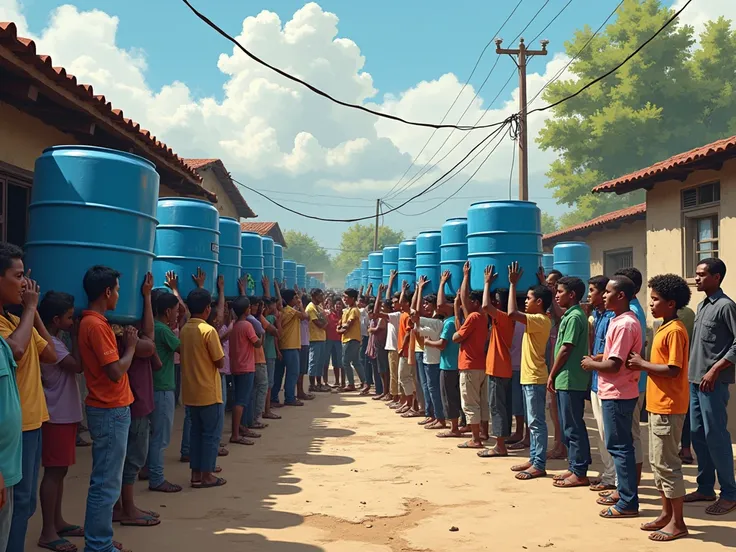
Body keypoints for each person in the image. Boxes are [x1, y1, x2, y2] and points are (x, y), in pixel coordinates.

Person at [1, 243, 58, 552]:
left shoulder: (15, 322)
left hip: (32, 423)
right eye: (18, 275)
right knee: (15, 502)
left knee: (24, 503)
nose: (24, 283)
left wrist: (31, 315)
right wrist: (31, 309)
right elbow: (16, 350)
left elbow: (50, 353)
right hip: (16, 429)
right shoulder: (5, 326)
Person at [78, 265, 137, 552]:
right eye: (117, 290)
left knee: (104, 481)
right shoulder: (96, 325)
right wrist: (131, 348)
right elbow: (115, 372)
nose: (118, 295)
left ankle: (99, 540)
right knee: (106, 483)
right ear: (107, 292)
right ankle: (99, 545)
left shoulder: (92, 322)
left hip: (108, 408)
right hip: (109, 408)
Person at [627, 274, 691, 542]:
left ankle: (678, 522)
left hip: (669, 406)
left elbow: (673, 369)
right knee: (658, 463)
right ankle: (666, 514)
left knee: (668, 464)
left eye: (655, 300)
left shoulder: (675, 330)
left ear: (671, 303)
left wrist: (642, 364)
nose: (651, 304)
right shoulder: (663, 326)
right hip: (657, 404)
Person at [582, 275, 642, 518]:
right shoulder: (618, 320)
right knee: (619, 445)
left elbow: (615, 365)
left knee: (620, 447)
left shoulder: (624, 324)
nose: (603, 295)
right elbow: (614, 356)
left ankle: (627, 501)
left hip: (618, 393)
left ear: (621, 296)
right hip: (616, 392)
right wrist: (600, 358)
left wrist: (591, 363)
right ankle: (624, 495)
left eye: (607, 292)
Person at [684, 258, 736, 516]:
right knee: (697, 434)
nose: (697, 279)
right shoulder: (702, 304)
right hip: (695, 381)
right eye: (696, 274)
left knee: (716, 436)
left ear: (717, 277)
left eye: (702, 275)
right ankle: (705, 487)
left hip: (713, 382)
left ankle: (729, 493)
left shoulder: (726, 307)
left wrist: (716, 369)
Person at [113, 273, 162, 528]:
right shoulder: (127, 339)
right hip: (137, 404)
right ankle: (128, 509)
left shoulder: (124, 335)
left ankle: (122, 507)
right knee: (133, 458)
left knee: (125, 458)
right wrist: (145, 297)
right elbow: (151, 342)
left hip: (133, 402)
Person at [36, 291, 83, 551]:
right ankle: (48, 531)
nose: (72, 320)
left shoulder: (53, 340)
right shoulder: (53, 343)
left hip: (63, 414)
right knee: (54, 473)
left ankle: (57, 521)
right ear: (55, 319)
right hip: (57, 417)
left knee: (61, 470)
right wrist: (77, 335)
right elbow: (77, 366)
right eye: (68, 317)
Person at [506, 262, 553, 480]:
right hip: (529, 377)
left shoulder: (540, 320)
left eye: (529, 298)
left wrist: (513, 284)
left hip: (535, 378)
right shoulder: (538, 319)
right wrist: (543, 283)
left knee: (536, 423)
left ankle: (539, 463)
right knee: (532, 421)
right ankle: (534, 459)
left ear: (540, 302)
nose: (526, 302)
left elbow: (511, 312)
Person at [181, 275, 226, 489]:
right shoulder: (209, 331)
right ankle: (207, 475)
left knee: (196, 434)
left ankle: (196, 474)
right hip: (208, 391)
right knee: (210, 435)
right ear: (208, 308)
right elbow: (219, 361)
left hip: (191, 391)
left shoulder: (184, 329)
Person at [548, 276, 591, 489]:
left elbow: (566, 348)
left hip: (570, 378)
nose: (557, 295)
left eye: (560, 291)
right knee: (568, 425)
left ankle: (580, 470)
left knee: (573, 426)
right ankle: (574, 466)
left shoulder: (574, 317)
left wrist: (552, 374)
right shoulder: (570, 315)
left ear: (572, 294)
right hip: (566, 379)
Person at [149, 278, 184, 494]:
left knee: (153, 433)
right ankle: (157, 477)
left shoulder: (155, 327)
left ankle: (150, 470)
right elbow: (183, 348)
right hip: (163, 387)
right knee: (160, 437)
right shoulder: (163, 330)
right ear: (167, 311)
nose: (178, 314)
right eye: (175, 310)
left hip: (156, 385)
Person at [477, 266, 515, 458]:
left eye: (497, 301)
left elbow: (485, 307)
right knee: (503, 406)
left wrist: (486, 283)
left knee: (496, 407)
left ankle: (500, 445)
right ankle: (503, 440)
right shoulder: (508, 318)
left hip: (498, 368)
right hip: (503, 368)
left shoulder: (504, 317)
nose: (493, 303)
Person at [614, 267, 648, 488]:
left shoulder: (630, 315)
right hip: (631, 382)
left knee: (630, 435)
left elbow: (622, 358)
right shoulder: (630, 311)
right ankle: (626, 484)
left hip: (630, 383)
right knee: (627, 435)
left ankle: (630, 485)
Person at [453, 262, 490, 449]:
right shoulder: (481, 318)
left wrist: (456, 313)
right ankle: (483, 432)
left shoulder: (474, 317)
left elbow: (456, 336)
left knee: (470, 403)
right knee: (482, 402)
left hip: (469, 366)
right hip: (481, 365)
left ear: (475, 303)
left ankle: (475, 439)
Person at [586, 275, 617, 493]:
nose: (591, 295)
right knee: (601, 432)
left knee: (609, 434)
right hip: (598, 381)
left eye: (593, 291)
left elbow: (611, 353)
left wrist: (596, 360)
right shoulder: (597, 315)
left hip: (607, 381)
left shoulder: (613, 318)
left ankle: (613, 479)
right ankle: (608, 475)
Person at [538, 268, 566, 460]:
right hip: (551, 361)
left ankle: (561, 446)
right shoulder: (548, 308)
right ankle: (558, 444)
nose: (549, 286)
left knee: (558, 409)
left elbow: (558, 314)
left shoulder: (567, 310)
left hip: (560, 365)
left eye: (552, 283)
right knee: (553, 409)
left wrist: (547, 290)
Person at [431, 273, 463, 438]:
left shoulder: (450, 323)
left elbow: (442, 344)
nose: (438, 306)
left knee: (449, 396)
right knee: (457, 396)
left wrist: (442, 282)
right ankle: (461, 425)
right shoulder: (456, 320)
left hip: (449, 365)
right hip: (457, 364)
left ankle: (454, 428)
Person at [412, 277, 446, 431]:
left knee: (434, 390)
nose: (424, 306)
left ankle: (439, 417)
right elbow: (416, 322)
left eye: (427, 303)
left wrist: (419, 290)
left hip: (434, 362)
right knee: (430, 389)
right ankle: (434, 415)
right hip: (429, 361)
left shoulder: (437, 322)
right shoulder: (433, 323)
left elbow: (416, 313)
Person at [229, 296, 260, 445]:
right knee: (241, 401)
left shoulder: (235, 325)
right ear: (246, 310)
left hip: (236, 366)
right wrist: (261, 335)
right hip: (246, 367)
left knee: (240, 399)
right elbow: (256, 343)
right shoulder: (247, 325)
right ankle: (236, 433)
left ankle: (241, 428)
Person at [279, 288, 309, 405]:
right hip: (290, 346)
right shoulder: (290, 311)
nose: (297, 300)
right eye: (295, 298)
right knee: (293, 373)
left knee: (280, 374)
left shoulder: (284, 310)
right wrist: (300, 304)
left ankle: (276, 398)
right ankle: (290, 398)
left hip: (284, 345)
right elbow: (304, 315)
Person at [375, 278, 402, 406]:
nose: (392, 304)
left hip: (395, 348)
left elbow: (376, 313)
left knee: (395, 375)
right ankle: (394, 396)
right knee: (394, 374)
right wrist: (390, 283)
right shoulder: (393, 315)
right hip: (393, 348)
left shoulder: (395, 316)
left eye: (394, 302)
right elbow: (389, 300)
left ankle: (396, 398)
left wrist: (379, 295)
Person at [245, 296, 269, 432]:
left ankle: (252, 418)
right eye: (252, 305)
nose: (254, 308)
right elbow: (262, 331)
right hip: (257, 359)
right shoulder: (252, 320)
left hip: (254, 359)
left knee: (254, 390)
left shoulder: (247, 320)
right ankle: (255, 418)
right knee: (261, 387)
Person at [676, 305, 695, 465]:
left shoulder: (673, 320)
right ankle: (686, 448)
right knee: (687, 413)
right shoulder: (690, 313)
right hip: (690, 368)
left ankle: (684, 448)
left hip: (675, 372)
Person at [338, 288, 363, 393]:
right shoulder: (347, 310)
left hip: (351, 339)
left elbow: (348, 324)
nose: (344, 299)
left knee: (345, 362)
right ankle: (364, 381)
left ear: (352, 298)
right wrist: (341, 328)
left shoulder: (354, 310)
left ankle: (351, 384)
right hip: (348, 338)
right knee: (356, 362)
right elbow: (340, 324)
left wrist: (341, 329)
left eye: (346, 297)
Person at [261, 296, 281, 420]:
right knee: (268, 383)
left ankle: (265, 409)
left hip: (268, 353)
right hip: (269, 354)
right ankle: (266, 410)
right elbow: (279, 334)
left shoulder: (262, 318)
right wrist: (278, 320)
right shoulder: (270, 319)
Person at [306, 288, 328, 393]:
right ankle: (312, 384)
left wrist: (324, 322)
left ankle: (319, 383)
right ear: (314, 296)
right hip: (314, 338)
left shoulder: (318, 307)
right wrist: (325, 323)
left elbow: (324, 320)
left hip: (321, 338)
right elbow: (319, 323)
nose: (322, 297)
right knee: (314, 362)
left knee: (320, 362)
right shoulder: (310, 308)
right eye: (320, 295)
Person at [297, 293, 313, 401]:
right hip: (301, 343)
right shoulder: (299, 313)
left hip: (304, 342)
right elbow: (304, 316)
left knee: (302, 370)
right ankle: (299, 391)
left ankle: (300, 391)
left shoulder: (304, 313)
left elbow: (307, 317)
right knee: (300, 370)